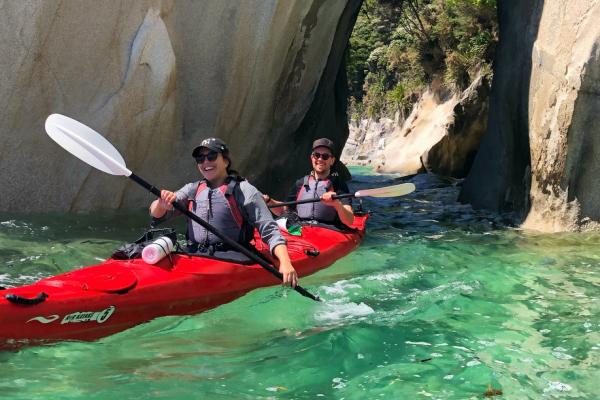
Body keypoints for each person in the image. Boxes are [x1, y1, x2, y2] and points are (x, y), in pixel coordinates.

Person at [149, 137, 298, 287]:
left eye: (212, 156)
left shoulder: (244, 190)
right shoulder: (191, 189)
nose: (206, 162)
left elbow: (269, 230)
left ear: (226, 161)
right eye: (200, 158)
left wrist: (285, 263)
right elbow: (156, 213)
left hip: (232, 256)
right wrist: (161, 203)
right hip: (195, 254)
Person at [265, 138, 355, 227]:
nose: (320, 159)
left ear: (332, 161)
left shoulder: (339, 185)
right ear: (312, 158)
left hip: (328, 231)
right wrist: (268, 201)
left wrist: (337, 204)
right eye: (317, 155)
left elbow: (349, 220)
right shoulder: (300, 183)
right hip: (302, 230)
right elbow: (284, 210)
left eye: (325, 156)